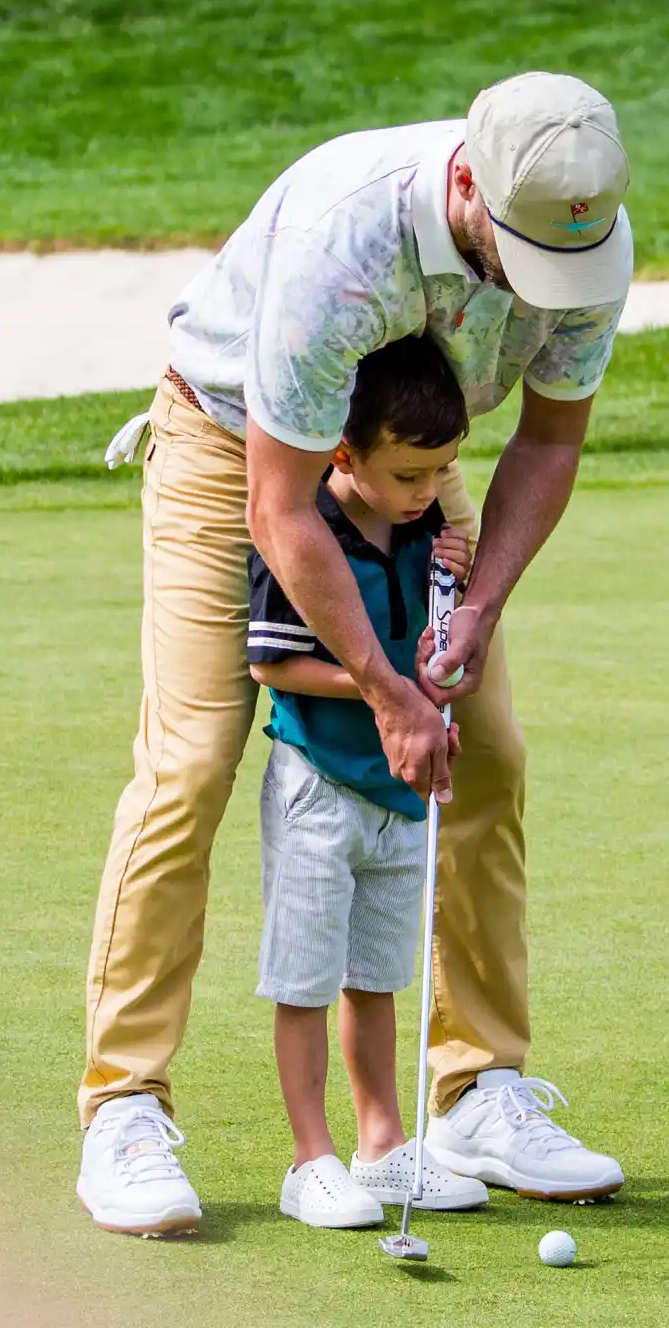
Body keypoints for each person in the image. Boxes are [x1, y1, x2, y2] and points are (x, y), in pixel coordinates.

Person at [79, 69, 632, 1237]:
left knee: (484, 747)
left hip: (407, 463)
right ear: (470, 185)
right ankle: (123, 1101)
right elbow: (280, 506)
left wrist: (473, 609)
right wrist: (382, 687)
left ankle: (476, 1084)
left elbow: (545, 441)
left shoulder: (586, 234)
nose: (544, 284)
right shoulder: (349, 237)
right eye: (519, 250)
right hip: (237, 446)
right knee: (193, 757)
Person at [247, 333, 488, 1228]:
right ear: (344, 453)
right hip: (319, 782)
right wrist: (383, 694)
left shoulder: (426, 532)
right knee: (305, 981)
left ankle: (382, 1145)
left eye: (441, 471)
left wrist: (452, 609)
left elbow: (432, 652)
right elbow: (274, 666)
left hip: (400, 795)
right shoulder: (301, 531)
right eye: (410, 475)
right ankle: (309, 1160)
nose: (428, 493)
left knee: (374, 978)